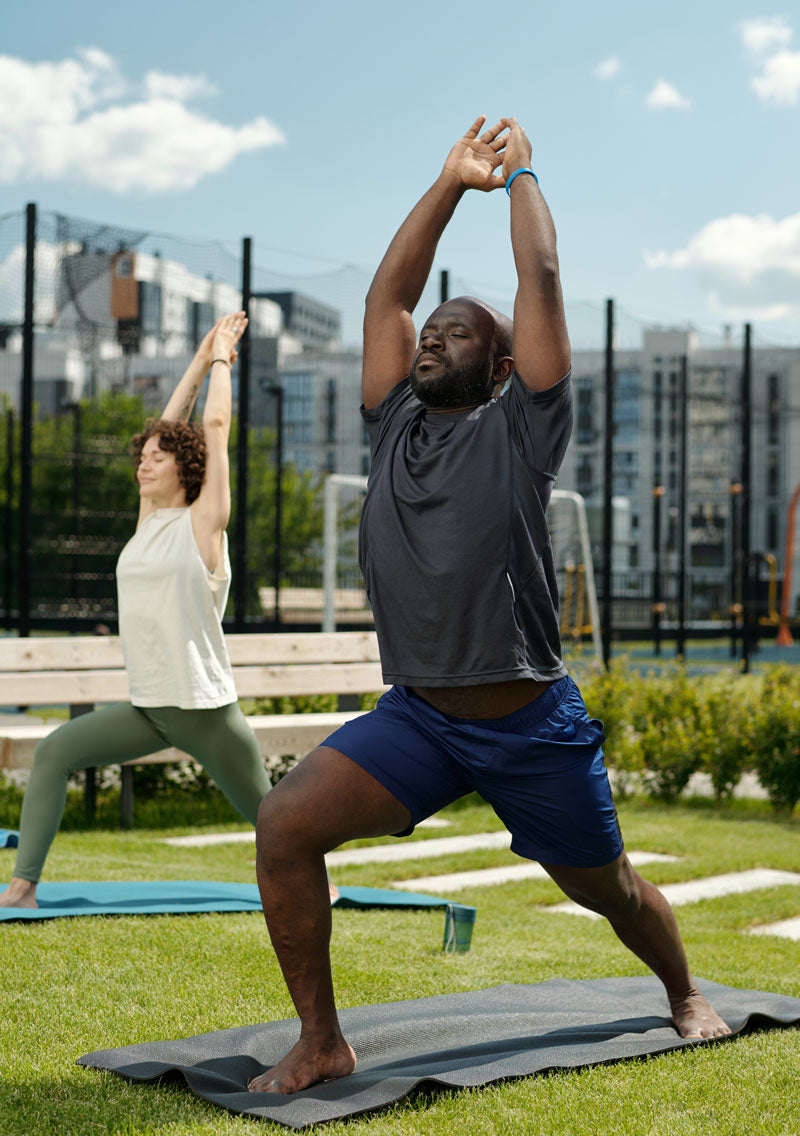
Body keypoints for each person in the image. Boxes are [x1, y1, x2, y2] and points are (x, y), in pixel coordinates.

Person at [248, 116, 731, 1095]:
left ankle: (679, 989)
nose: (431, 336)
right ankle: (321, 1040)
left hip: (528, 725)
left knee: (608, 891)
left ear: (502, 366)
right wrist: (443, 183)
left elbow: (540, 280)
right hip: (419, 718)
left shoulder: (522, 428)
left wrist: (516, 179)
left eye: (455, 330)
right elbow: (387, 294)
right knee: (284, 825)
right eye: (429, 332)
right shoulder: (392, 427)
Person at [0, 313, 272, 908]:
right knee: (54, 752)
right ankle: (22, 888)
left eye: (157, 457)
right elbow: (171, 423)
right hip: (150, 707)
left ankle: (319, 882)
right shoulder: (148, 524)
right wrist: (197, 362)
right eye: (141, 456)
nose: (144, 463)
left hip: (205, 710)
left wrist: (224, 357)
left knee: (275, 820)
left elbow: (214, 426)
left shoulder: (204, 525)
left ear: (186, 469)